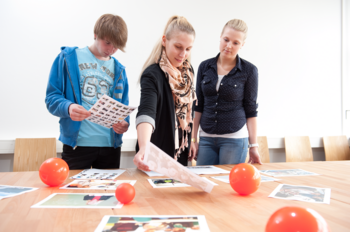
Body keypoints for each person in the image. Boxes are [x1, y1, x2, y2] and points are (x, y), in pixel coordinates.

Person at [45, 14, 130, 170]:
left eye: (116, 46)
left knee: (108, 194)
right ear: (95, 34)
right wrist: (68, 107)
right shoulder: (68, 58)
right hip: (77, 146)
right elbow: (51, 98)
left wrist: (125, 123)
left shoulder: (120, 70)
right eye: (108, 43)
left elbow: (123, 107)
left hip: (110, 147)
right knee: (71, 193)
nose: (111, 49)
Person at [191, 19, 262, 165]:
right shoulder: (204, 67)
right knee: (203, 183)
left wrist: (253, 146)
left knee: (227, 184)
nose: (229, 46)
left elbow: (251, 110)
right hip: (206, 138)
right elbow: (198, 106)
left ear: (242, 44)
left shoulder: (249, 71)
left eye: (236, 43)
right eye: (226, 39)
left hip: (235, 139)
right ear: (220, 37)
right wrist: (193, 140)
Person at [133, 16, 197, 171]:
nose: (183, 54)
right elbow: (147, 112)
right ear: (164, 40)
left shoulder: (188, 73)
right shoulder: (152, 74)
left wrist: (192, 140)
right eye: (178, 46)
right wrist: (144, 147)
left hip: (180, 154)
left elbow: (190, 114)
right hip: (155, 154)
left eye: (188, 49)